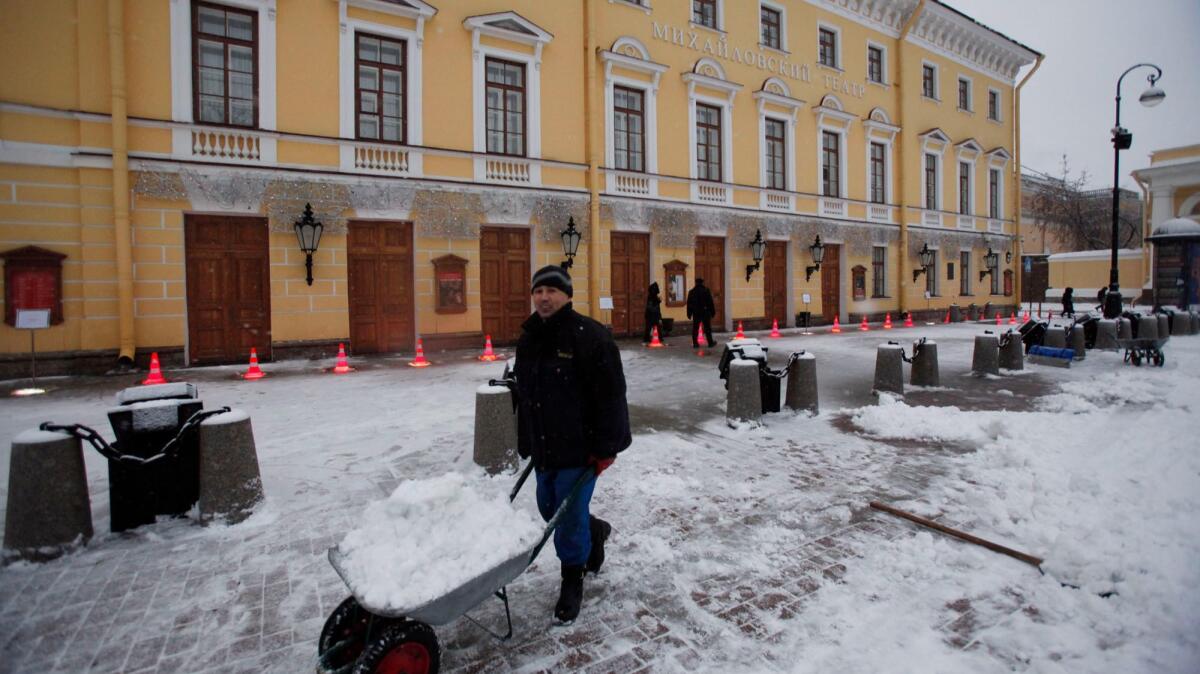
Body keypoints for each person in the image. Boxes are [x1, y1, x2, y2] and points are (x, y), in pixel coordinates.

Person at [514, 265, 632, 624]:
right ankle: (595, 532)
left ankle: (572, 578)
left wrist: (606, 448)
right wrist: (526, 439)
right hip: (546, 446)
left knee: (567, 515)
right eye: (538, 291)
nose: (544, 297)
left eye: (551, 290)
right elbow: (525, 393)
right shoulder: (530, 336)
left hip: (581, 448)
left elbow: (611, 395)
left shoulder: (590, 336)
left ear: (567, 295)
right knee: (549, 506)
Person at [686, 277, 716, 348]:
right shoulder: (706, 290)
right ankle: (710, 342)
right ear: (702, 283)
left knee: (695, 328)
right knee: (707, 328)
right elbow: (710, 302)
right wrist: (712, 312)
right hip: (705, 312)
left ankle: (695, 343)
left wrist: (689, 313)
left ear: (696, 283)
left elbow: (689, 304)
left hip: (696, 312)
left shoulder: (692, 292)